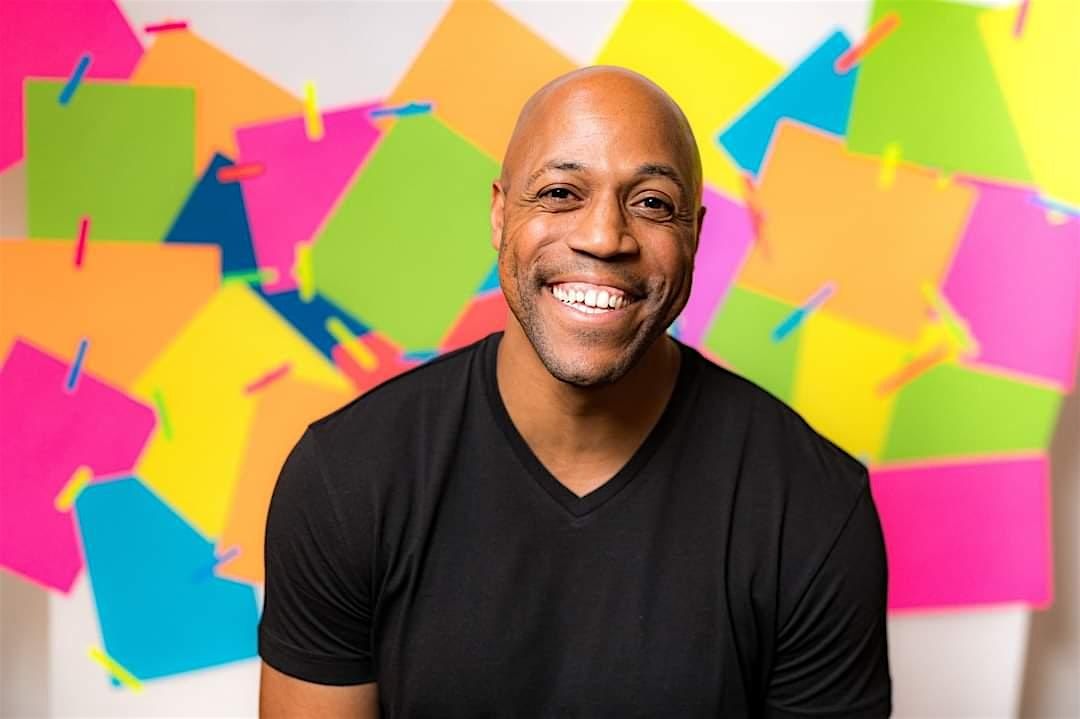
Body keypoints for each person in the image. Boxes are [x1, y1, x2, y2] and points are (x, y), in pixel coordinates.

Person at [258, 66, 892, 718]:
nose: (603, 237)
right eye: (561, 192)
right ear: (500, 214)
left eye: (651, 203)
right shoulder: (347, 478)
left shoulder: (812, 509)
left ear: (695, 235)